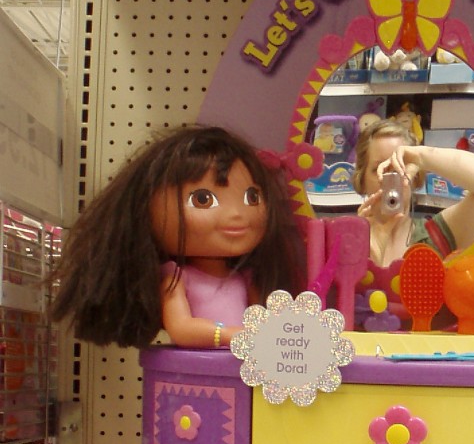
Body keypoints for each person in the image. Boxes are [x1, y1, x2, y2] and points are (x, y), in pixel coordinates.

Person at [50, 124, 305, 349]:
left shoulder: (246, 277)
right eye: (203, 199)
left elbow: (263, 320)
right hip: (197, 370)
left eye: (252, 197)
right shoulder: (176, 278)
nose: (237, 214)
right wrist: (227, 335)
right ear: (145, 211)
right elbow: (181, 328)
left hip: (246, 369)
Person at [353, 118, 474, 267]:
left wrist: (421, 156)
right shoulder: (346, 240)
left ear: (414, 177)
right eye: (378, 169)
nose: (389, 180)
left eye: (399, 167)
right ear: (362, 179)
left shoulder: (436, 235)